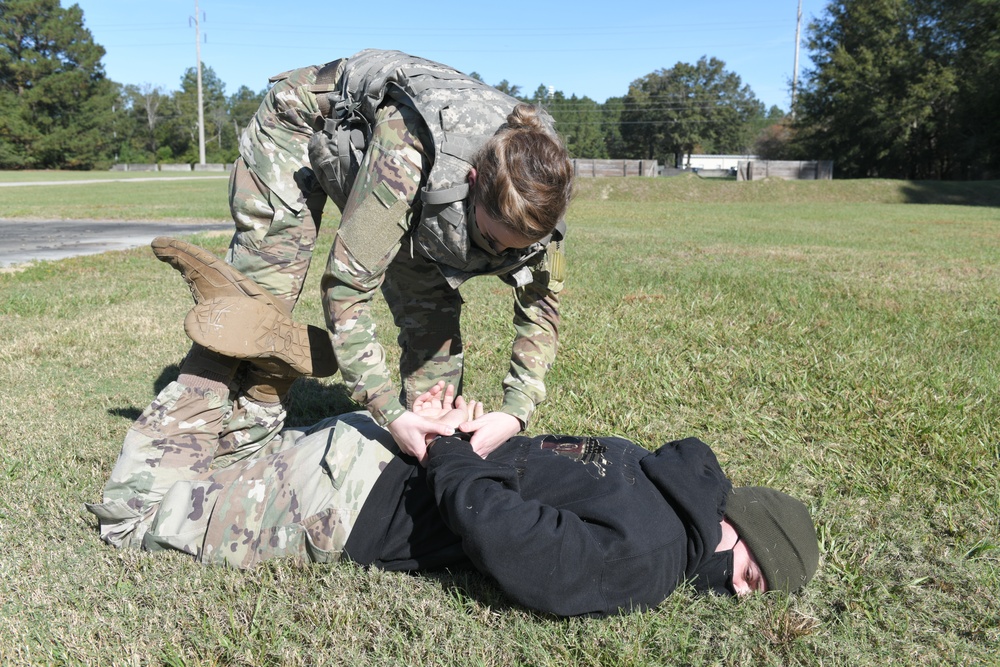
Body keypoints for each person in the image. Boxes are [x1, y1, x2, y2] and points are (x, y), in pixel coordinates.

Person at [86, 294, 820, 619]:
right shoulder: (656, 556)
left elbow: (529, 468)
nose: (742, 591)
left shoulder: (648, 466)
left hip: (377, 444)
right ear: (738, 525)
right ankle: (212, 360)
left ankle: (270, 382)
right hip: (359, 499)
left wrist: (455, 434)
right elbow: (513, 536)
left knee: (244, 467)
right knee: (134, 514)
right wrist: (447, 453)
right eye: (752, 572)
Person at [153, 48, 573, 465]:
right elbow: (346, 289)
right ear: (473, 182)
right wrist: (388, 411)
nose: (498, 255)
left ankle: (429, 446)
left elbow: (541, 308)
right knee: (263, 302)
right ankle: (208, 442)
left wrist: (516, 411)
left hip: (423, 186)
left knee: (432, 327)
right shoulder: (406, 158)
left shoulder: (541, 189)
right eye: (490, 238)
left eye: (513, 249)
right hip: (303, 119)